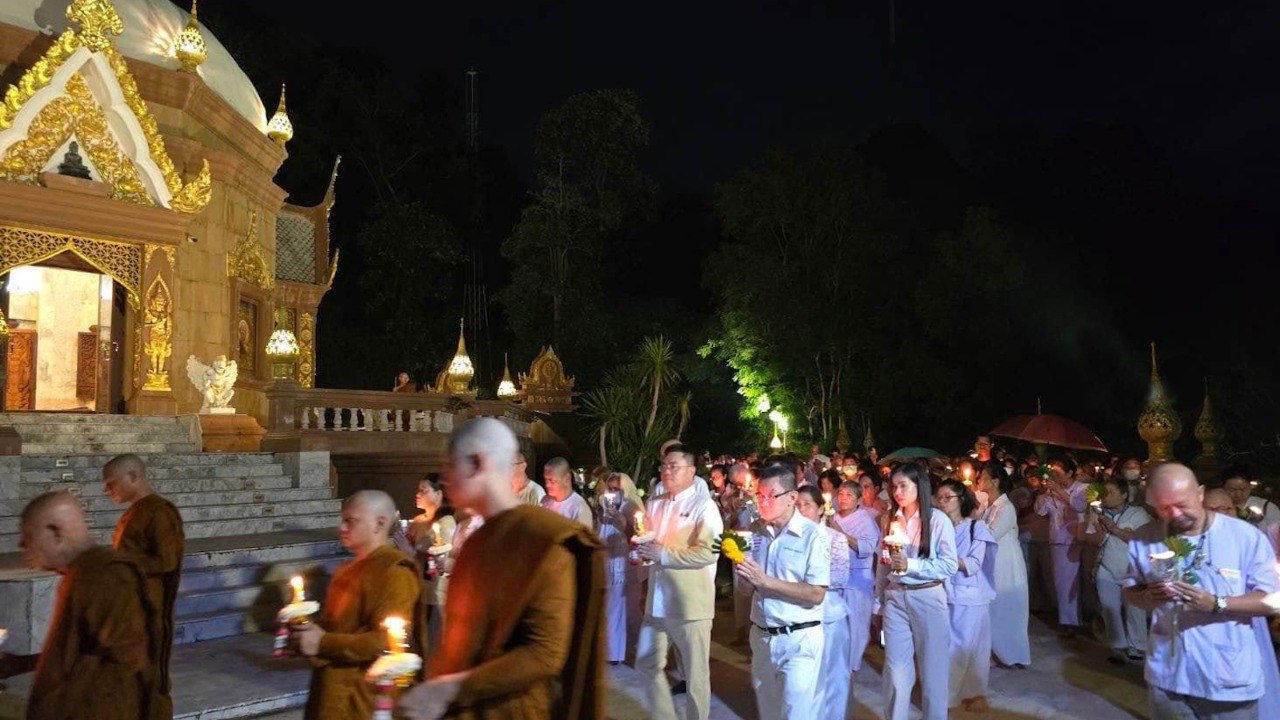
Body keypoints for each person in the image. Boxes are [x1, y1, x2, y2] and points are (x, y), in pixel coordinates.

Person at [398, 418, 605, 720]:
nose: (444, 478)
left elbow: (544, 654)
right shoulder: (476, 539)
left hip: (512, 709)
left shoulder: (544, 538)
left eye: (450, 465)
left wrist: (452, 688)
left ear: (478, 463)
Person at [1123, 463, 1280, 720]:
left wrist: (1217, 603)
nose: (1174, 514)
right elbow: (1130, 590)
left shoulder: (1245, 537)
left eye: (1182, 504)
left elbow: (1274, 601)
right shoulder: (1144, 538)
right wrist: (1146, 597)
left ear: (1200, 493)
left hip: (1228, 681)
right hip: (1168, 676)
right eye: (1164, 507)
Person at [20, 491, 158, 719]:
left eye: (28, 537)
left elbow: (122, 666)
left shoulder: (108, 576)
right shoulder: (81, 573)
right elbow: (83, 654)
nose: (22, 545)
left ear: (56, 533)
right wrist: (24, 664)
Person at [295, 490, 425, 720]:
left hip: (361, 699)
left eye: (350, 521)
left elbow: (387, 642)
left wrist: (323, 642)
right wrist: (305, 633)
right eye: (342, 520)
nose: (342, 528)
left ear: (379, 523)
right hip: (332, 690)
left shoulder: (395, 573)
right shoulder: (348, 569)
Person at [633, 448, 723, 720]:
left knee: (696, 675)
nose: (666, 471)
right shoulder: (655, 502)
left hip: (690, 605)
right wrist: (641, 554)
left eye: (673, 466)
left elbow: (709, 552)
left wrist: (664, 554)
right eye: (663, 466)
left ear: (691, 471)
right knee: (646, 664)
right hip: (657, 602)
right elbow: (647, 541)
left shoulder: (703, 506)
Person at [735, 464, 829, 720]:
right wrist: (742, 572)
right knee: (769, 711)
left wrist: (766, 581)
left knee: (795, 712)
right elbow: (747, 589)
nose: (763, 502)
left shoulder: (812, 536)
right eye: (760, 495)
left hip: (799, 637)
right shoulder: (756, 533)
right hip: (763, 636)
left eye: (770, 496)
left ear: (791, 498)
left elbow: (816, 593)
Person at [103, 453, 184, 719]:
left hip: (149, 613)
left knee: (150, 685)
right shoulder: (132, 513)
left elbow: (167, 560)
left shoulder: (159, 511)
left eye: (112, 482)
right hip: (129, 612)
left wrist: (121, 561)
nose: (107, 489)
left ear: (134, 477)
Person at [875, 462, 958, 720]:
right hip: (895, 597)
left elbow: (949, 564)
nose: (897, 491)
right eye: (894, 486)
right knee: (896, 671)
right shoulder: (891, 518)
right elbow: (882, 563)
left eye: (903, 486)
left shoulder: (937, 520)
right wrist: (878, 602)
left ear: (919, 486)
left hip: (927, 597)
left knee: (933, 671)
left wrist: (911, 565)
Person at [935, 479, 996, 713]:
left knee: (968, 647)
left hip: (969, 595)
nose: (942, 502)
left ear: (961, 500)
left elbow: (974, 563)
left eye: (947, 497)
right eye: (938, 497)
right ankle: (949, 692)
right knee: (947, 645)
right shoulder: (937, 527)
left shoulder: (975, 528)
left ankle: (968, 694)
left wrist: (947, 561)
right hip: (943, 593)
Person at [1079, 475, 1150, 664]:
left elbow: (1142, 539)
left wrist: (1115, 529)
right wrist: (1096, 526)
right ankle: (1117, 648)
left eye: (1111, 493)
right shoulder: (1096, 512)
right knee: (1109, 609)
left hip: (1132, 568)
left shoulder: (1138, 514)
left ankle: (1138, 646)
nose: (1106, 496)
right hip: (1106, 567)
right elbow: (1089, 539)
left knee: (1135, 609)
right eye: (1104, 493)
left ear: (1124, 494)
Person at [796, 486, 850, 720]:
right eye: (796, 504)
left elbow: (839, 577)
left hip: (829, 612)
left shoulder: (835, 538)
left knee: (833, 673)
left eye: (806, 504)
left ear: (821, 509)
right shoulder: (790, 537)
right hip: (799, 612)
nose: (800, 509)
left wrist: (803, 580)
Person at [977, 464, 1030, 668]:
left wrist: (975, 525)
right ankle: (994, 651)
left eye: (983, 477)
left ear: (995, 481)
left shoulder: (1006, 508)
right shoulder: (987, 506)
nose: (979, 480)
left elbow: (991, 535)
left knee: (1008, 609)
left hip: (1007, 566)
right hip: (991, 565)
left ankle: (1012, 654)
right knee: (993, 609)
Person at [832, 478, 880, 673]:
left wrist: (840, 533)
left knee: (857, 626)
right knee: (839, 624)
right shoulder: (833, 517)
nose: (843, 499)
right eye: (841, 495)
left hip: (857, 580)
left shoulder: (864, 520)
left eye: (849, 495)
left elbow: (868, 547)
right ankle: (839, 662)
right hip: (836, 578)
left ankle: (852, 664)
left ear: (858, 500)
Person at [1035, 457, 1087, 636]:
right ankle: (1069, 622)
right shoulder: (1051, 491)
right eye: (1052, 473)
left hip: (1079, 538)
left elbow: (1080, 506)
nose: (1054, 476)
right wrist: (1043, 493)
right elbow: (1041, 511)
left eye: (1058, 473)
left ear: (1070, 473)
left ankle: (1079, 619)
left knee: (1079, 582)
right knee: (1063, 582)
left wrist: (1058, 490)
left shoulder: (1082, 488)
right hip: (1059, 540)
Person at [594, 472, 642, 665]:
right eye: (610, 489)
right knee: (611, 607)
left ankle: (615, 653)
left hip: (623, 563)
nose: (613, 492)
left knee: (621, 608)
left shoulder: (631, 506)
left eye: (617, 489)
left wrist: (622, 520)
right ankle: (615, 648)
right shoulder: (605, 506)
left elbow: (638, 534)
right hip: (607, 560)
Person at [406, 478, 456, 654]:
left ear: (439, 494)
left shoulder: (446, 522)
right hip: (416, 588)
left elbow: (438, 561)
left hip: (435, 592)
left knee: (432, 643)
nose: (418, 495)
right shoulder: (418, 520)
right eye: (418, 490)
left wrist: (414, 552)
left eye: (423, 490)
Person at [541, 457, 593, 529]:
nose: (547, 485)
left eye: (552, 481)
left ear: (566, 478)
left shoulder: (579, 508)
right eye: (546, 480)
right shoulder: (545, 501)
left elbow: (583, 539)